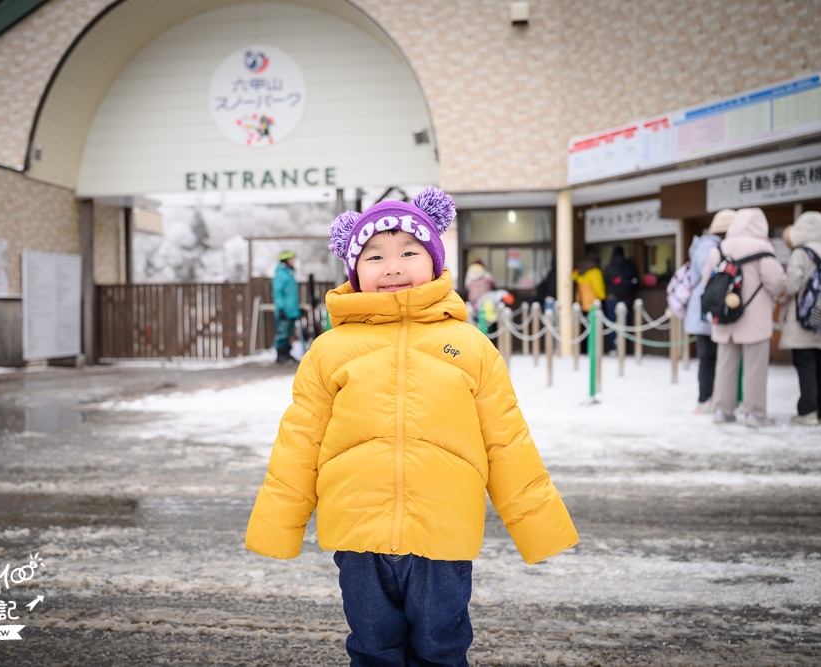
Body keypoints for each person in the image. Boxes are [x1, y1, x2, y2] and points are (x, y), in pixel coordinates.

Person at [245, 187, 579, 666]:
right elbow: (300, 440)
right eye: (374, 255)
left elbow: (506, 440)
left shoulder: (469, 346)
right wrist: (278, 524)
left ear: (435, 260)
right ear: (354, 269)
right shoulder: (330, 350)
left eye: (408, 251)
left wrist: (538, 524)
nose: (393, 266)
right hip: (358, 533)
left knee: (440, 648)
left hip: (443, 532)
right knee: (373, 648)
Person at [701, 207, 785, 427]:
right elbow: (776, 282)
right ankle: (755, 414)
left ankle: (722, 410)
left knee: (725, 365)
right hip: (754, 319)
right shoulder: (763, 247)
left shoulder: (719, 248)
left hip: (724, 317)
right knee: (755, 367)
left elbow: (706, 283)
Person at [778, 212, 821, 426]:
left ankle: (807, 412)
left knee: (806, 364)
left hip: (804, 319)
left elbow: (792, 286)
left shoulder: (801, 253)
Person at [685, 209, 735, 413]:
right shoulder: (710, 248)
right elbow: (712, 281)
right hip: (709, 309)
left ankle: (710, 398)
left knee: (709, 356)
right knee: (709, 356)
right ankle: (706, 398)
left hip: (705, 310)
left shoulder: (704, 245)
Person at [602, 245, 639, 350]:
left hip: (611, 299)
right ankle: (623, 348)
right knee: (624, 325)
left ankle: (614, 348)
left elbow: (604, 283)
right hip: (626, 299)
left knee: (612, 325)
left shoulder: (609, 266)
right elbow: (635, 282)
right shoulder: (629, 266)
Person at [272, 250, 301, 364]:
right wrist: (280, 308)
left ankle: (287, 353)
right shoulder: (280, 275)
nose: (293, 261)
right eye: (291, 259)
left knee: (290, 333)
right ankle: (280, 354)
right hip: (284, 310)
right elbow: (277, 293)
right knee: (283, 333)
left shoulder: (289, 274)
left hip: (292, 310)